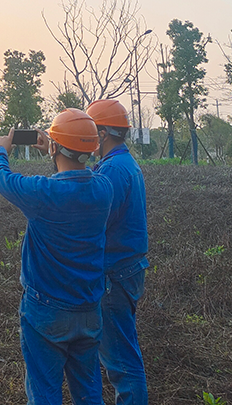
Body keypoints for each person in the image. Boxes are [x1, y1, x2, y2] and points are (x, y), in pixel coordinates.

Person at [0, 109, 112, 405]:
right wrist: (55, 150)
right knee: (89, 392)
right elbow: (77, 176)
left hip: (46, 312)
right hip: (89, 309)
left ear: (54, 147)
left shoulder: (44, 194)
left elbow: (0, 177)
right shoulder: (104, 189)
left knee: (45, 393)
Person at [86, 99, 149, 405]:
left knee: (122, 363)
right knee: (125, 351)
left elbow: (95, 220)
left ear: (103, 133)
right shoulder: (125, 163)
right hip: (127, 270)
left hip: (114, 274)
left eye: (89, 132)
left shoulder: (112, 170)